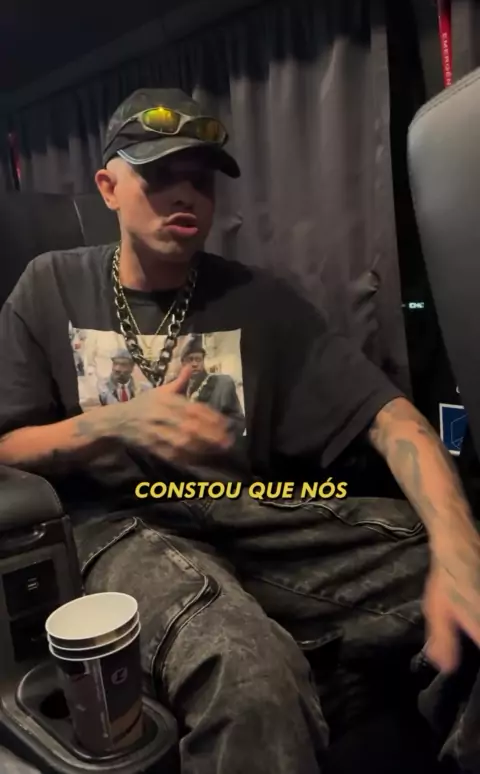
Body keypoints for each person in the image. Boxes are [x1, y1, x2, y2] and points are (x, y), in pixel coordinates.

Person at [0, 87, 479, 774]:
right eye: (160, 175)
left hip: (245, 509)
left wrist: (459, 548)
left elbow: (391, 417)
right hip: (117, 527)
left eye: (201, 180)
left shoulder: (258, 299)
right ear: (108, 188)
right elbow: (7, 447)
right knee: (250, 677)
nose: (185, 194)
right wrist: (113, 423)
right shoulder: (49, 286)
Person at [180, 334, 245, 437]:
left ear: (203, 360)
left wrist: (215, 424)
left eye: (198, 359)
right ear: (183, 363)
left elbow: (239, 423)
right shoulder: (177, 390)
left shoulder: (222, 384)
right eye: (190, 360)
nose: (195, 364)